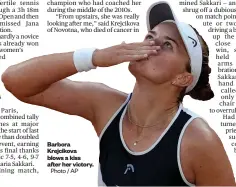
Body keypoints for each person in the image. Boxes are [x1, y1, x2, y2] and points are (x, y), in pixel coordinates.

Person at [1, 1, 235, 186]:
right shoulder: (105, 105)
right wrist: (92, 57)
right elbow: (14, 81)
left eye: (167, 45)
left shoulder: (198, 140)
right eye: (150, 37)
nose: (150, 45)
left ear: (183, 78)